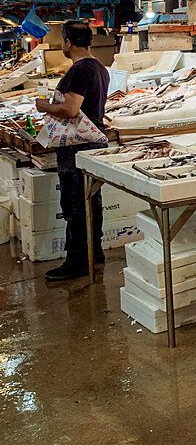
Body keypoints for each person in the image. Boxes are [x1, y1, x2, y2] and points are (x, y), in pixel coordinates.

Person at [35, 21, 110, 281]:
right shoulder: (99, 67)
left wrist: (44, 106)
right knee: (91, 201)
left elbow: (71, 109)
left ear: (68, 42)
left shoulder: (80, 70)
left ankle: (77, 261)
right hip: (94, 143)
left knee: (76, 202)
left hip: (79, 146)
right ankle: (94, 251)